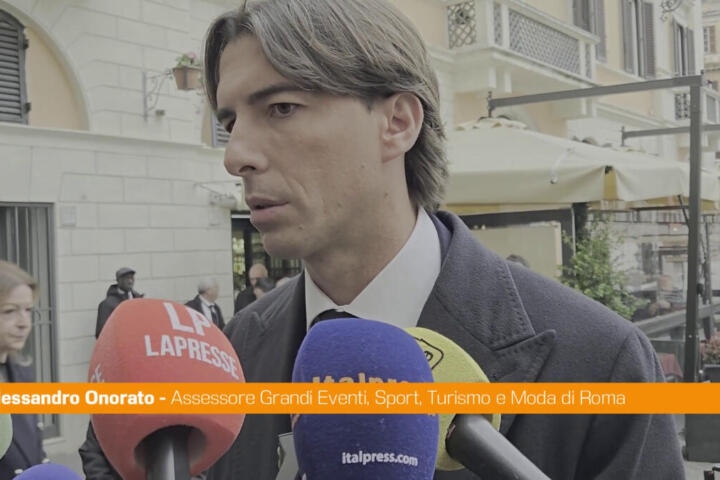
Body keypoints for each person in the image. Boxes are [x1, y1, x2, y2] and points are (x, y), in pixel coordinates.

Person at [82, 1, 684, 478]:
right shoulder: (233, 353)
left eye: (282, 108)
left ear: (397, 122)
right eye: (231, 121)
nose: (235, 155)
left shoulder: (601, 364)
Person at [0, 261, 48, 477]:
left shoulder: (22, 372)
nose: (24, 322)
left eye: (28, 310)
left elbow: (34, 452)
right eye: (10, 311)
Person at [95, 267, 143, 339]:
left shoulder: (138, 300)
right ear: (118, 280)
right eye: (127, 278)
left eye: (132, 278)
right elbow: (101, 334)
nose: (130, 281)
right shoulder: (107, 304)